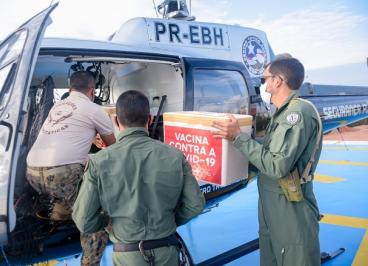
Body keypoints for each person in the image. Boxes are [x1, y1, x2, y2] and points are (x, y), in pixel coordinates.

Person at [72, 90, 205, 266]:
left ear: (116, 121)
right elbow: (195, 205)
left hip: (127, 255)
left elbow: (84, 220)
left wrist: (107, 221)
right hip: (167, 250)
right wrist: (169, 222)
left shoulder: (99, 162)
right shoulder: (175, 156)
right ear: (149, 119)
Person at [212, 57, 322, 266]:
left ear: (278, 81)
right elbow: (267, 157)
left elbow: (276, 166)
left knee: (294, 257)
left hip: (290, 205)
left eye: (264, 79)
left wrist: (238, 137)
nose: (263, 85)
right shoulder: (281, 114)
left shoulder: (296, 114)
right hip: (273, 203)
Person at [26, 70, 116, 266]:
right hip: (61, 176)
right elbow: (114, 147)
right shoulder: (93, 109)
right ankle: (90, 262)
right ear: (92, 91)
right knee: (95, 218)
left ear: (69, 89)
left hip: (32, 172)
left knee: (70, 190)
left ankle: (58, 222)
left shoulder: (57, 106)